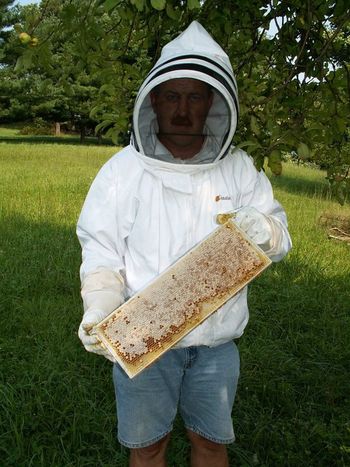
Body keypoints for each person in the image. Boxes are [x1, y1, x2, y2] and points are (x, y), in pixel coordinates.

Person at [77, 21, 291, 467]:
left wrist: (263, 230)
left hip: (216, 345)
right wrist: (99, 307)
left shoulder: (239, 168)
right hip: (142, 339)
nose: (182, 109)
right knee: (148, 447)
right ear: (153, 100)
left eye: (195, 96)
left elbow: (279, 237)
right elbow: (101, 249)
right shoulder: (122, 171)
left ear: (213, 103)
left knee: (211, 443)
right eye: (172, 95)